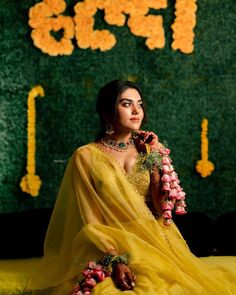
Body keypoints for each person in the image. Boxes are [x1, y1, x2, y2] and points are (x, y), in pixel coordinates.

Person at [27, 80, 236, 295]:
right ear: (107, 111)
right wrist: (115, 260)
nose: (137, 111)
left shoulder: (151, 149)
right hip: (108, 244)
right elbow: (90, 220)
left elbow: (162, 210)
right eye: (126, 104)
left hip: (155, 241)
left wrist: (154, 157)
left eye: (140, 104)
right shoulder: (86, 156)